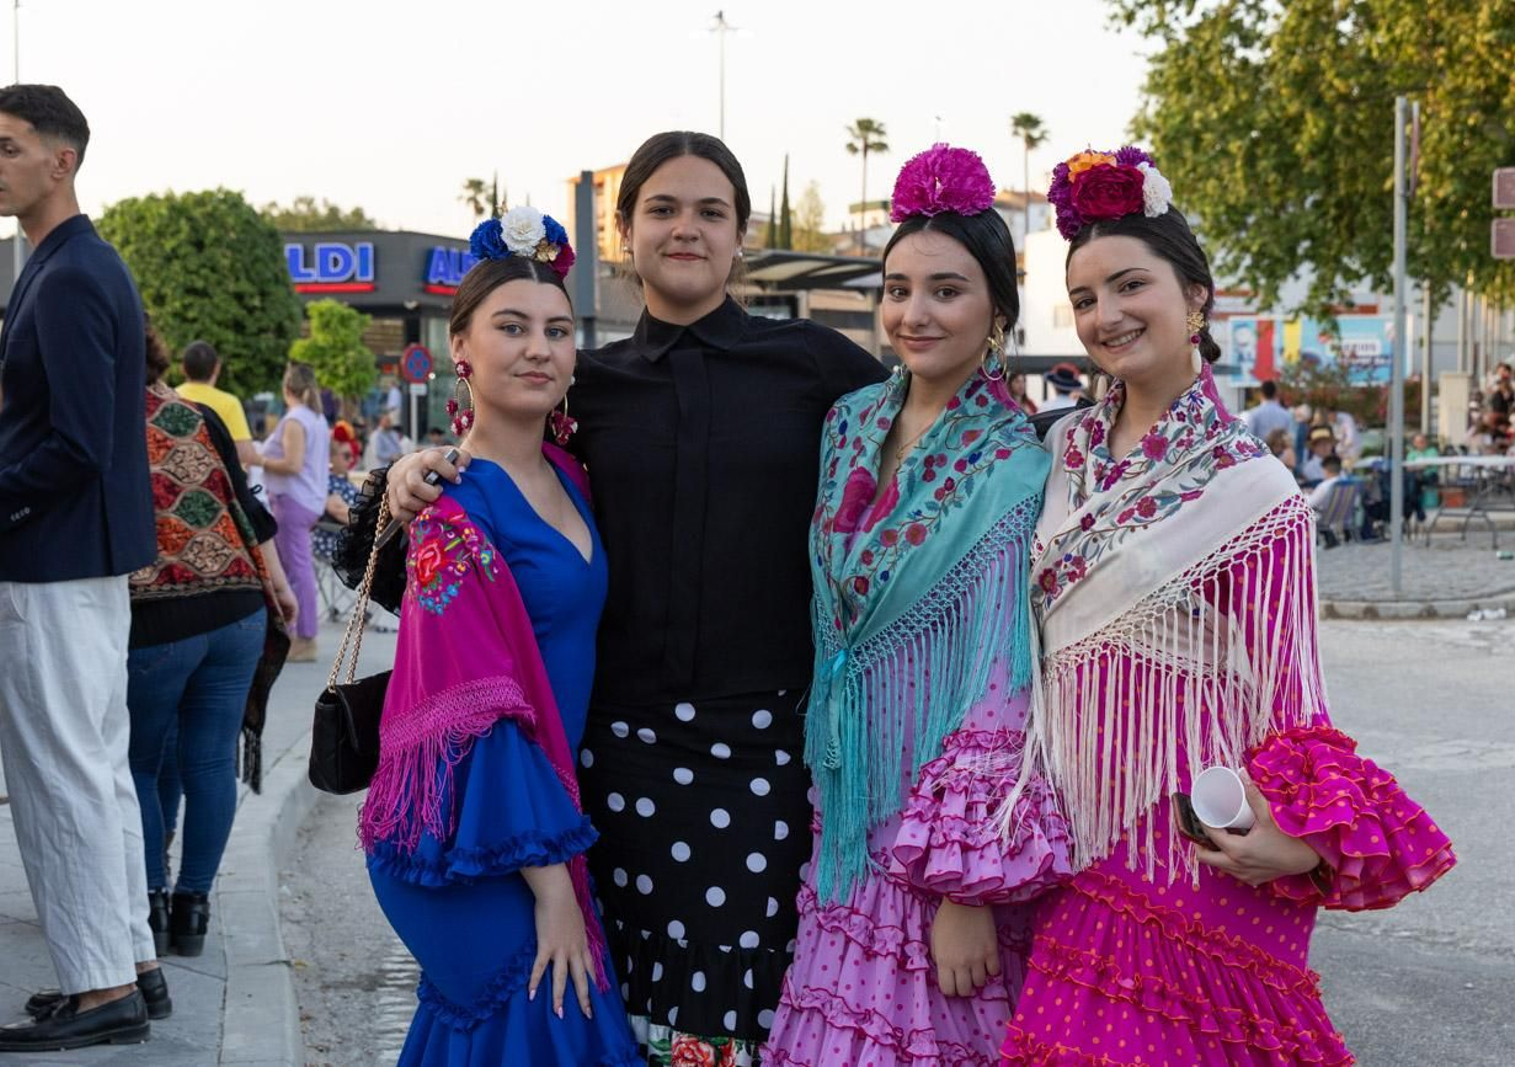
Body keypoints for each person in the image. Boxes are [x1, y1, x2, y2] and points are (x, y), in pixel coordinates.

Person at [378, 132, 887, 1063]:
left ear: (743, 236)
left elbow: (932, 441)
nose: (685, 229)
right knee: (593, 1012)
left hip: (764, 758)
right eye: (662, 209)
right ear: (623, 234)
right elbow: (479, 502)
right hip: (603, 768)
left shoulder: (815, 365)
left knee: (734, 1023)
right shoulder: (586, 386)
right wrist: (411, 471)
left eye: (710, 212)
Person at [1006, 145, 1456, 1066]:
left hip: (1194, 852)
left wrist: (1297, 840)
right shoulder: (1058, 455)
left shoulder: (1256, 492)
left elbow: (1294, 700)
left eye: (1131, 285)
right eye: (1085, 298)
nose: (1106, 315)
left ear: (1198, 297)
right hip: (1069, 845)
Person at [763, 145, 1070, 1065]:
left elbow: (999, 679)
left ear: (998, 314)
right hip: (842, 807)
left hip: (935, 847)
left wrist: (965, 891)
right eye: (897, 289)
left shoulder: (1014, 462)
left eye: (946, 290)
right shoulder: (848, 422)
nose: (913, 312)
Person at [359, 211, 639, 1066]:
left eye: (557, 330)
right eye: (511, 328)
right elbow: (476, 712)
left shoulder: (570, 471)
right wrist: (551, 890)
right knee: (540, 1028)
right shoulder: (452, 509)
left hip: (541, 820)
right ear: (463, 350)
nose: (538, 349)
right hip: (474, 839)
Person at [0, 83, 162, 1051]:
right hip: (77, 562)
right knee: (93, 773)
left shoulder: (64, 274)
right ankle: (128, 963)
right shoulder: (70, 262)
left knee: (63, 775)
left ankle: (103, 986)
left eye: (8, 146)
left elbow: (76, 444)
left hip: (51, 562)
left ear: (61, 160)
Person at [126, 319, 294, 960]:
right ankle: (193, 910)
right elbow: (248, 508)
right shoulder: (196, 415)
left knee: (138, 764)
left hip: (157, 619)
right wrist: (278, 587)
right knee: (208, 760)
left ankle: (150, 902)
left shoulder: (99, 421)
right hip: (238, 608)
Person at [260, 362, 330, 662]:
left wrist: (256, 458)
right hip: (307, 501)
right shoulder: (316, 418)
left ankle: (302, 637)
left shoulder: (295, 420)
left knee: (295, 572)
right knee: (296, 569)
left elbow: (292, 464)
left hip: (291, 501)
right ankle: (298, 634)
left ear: (286, 388)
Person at [175, 340, 261, 467]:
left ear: (182, 368)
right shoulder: (229, 403)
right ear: (217, 368)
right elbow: (244, 453)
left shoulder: (171, 397)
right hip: (218, 481)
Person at [314, 427, 361, 562]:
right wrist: (369, 523)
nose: (350, 460)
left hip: (347, 548)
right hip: (333, 549)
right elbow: (338, 510)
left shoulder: (341, 480)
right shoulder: (326, 481)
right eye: (346, 455)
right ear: (331, 457)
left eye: (352, 456)